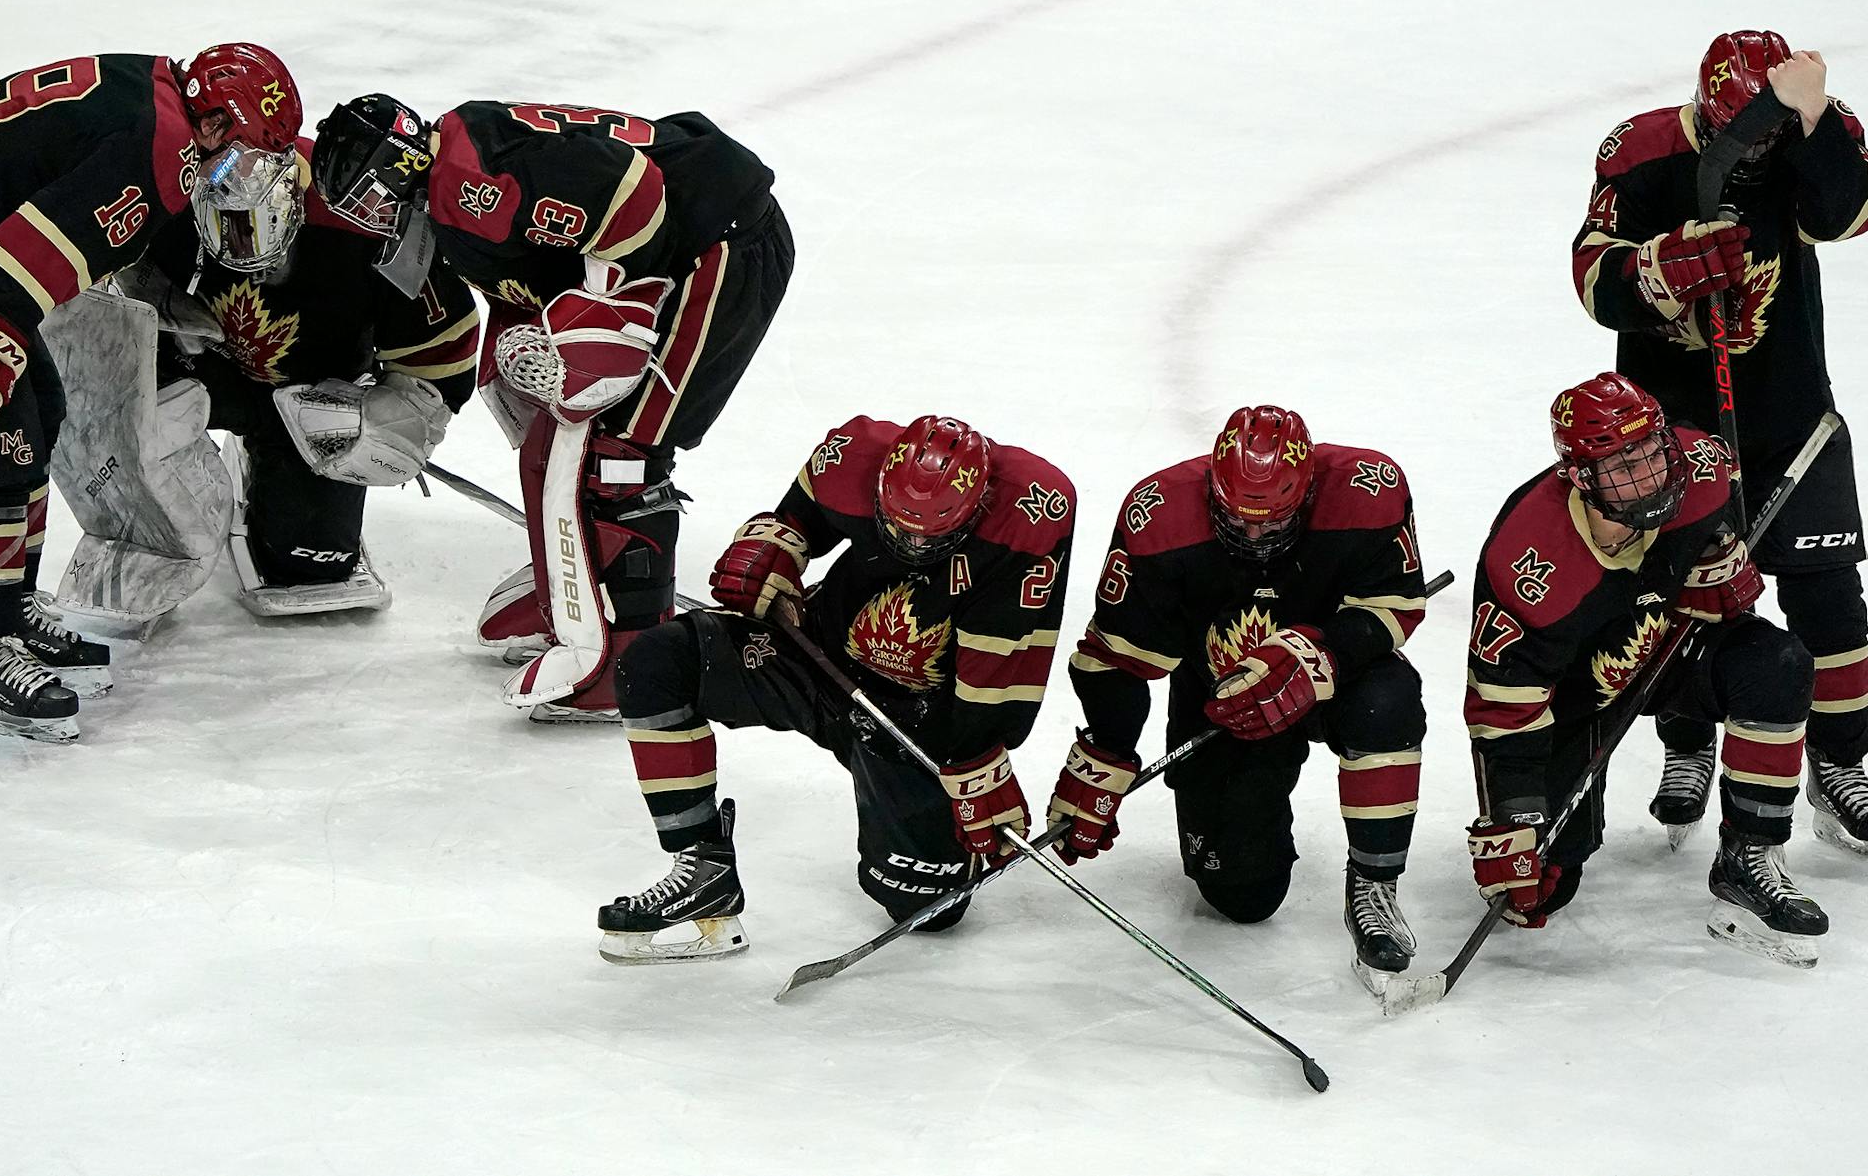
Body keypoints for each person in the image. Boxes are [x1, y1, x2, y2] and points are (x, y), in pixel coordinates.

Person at [0, 44, 300, 741]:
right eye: (244, 156)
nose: (244, 175)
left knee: (40, 415)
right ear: (213, 124)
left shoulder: (160, 100)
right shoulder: (164, 148)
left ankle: (10, 608)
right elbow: (45, 242)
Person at [307, 95, 793, 722]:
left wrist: (609, 313)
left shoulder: (470, 186)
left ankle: (637, 660)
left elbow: (636, 197)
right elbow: (533, 260)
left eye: (367, 196)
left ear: (399, 162)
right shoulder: (449, 179)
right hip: (681, 244)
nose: (369, 217)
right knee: (548, 435)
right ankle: (570, 595)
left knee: (622, 456)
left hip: (719, 246)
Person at [1570, 30, 1868, 863]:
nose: (1754, 153)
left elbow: (1849, 214)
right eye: (1739, 136)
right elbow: (1593, 279)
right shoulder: (1641, 151)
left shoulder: (1809, 130)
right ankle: (1688, 745)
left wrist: (1816, 120)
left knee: (1831, 597)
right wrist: (1659, 269)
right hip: (1672, 435)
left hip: (1793, 418)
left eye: (1769, 133)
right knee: (1690, 592)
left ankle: (1839, 762)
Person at [592, 415, 1074, 963]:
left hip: (914, 721)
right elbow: (795, 521)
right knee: (656, 664)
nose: (913, 543)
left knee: (928, 908)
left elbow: (1002, 671)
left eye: (932, 534)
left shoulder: (1030, 514)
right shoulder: (851, 455)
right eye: (899, 527)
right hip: (816, 657)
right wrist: (770, 553)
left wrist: (975, 759)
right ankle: (704, 867)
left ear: (978, 506)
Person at [45, 138, 479, 632]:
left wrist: (394, 417)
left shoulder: (363, 211)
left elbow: (443, 349)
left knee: (311, 569)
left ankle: (269, 466)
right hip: (201, 367)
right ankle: (159, 501)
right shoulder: (164, 186)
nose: (241, 249)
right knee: (140, 408)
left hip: (313, 400)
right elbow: (84, 302)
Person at [1465, 372, 1827, 966]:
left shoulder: (1702, 469)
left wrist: (1720, 557)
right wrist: (1514, 818)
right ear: (1579, 476)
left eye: (1652, 452)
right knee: (1542, 889)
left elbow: (1717, 535)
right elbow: (1502, 708)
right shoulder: (1530, 562)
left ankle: (1749, 853)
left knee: (1775, 663)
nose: (1650, 475)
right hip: (1572, 698)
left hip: (1670, 651)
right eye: (1622, 465)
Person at [1061, 406, 1430, 986]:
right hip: (1223, 700)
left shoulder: (1368, 491)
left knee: (1388, 702)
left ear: (1307, 495)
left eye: (1274, 523)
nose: (1254, 535)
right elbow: (1116, 656)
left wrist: (1324, 653)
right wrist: (1106, 750)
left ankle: (1374, 883)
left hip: (1335, 673)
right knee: (1242, 896)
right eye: (1238, 520)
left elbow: (1395, 605)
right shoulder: (1158, 515)